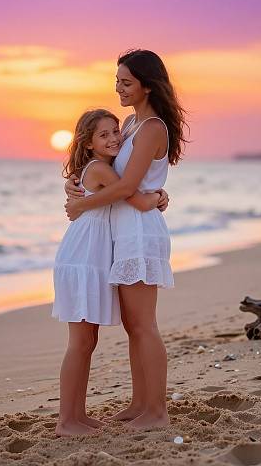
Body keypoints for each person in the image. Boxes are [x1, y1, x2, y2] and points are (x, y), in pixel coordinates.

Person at [65, 49, 188, 430]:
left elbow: (129, 187)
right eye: (116, 80)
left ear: (147, 86)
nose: (118, 87)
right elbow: (110, 172)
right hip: (125, 232)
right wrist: (79, 182)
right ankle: (139, 403)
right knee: (135, 326)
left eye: (126, 82)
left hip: (140, 233)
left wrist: (82, 206)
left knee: (144, 325)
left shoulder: (152, 128)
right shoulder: (133, 124)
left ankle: (157, 412)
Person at [53, 108, 168, 437]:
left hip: (90, 257)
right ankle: (67, 421)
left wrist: (156, 195)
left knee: (87, 340)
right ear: (88, 144)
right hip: (82, 258)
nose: (114, 138)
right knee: (80, 342)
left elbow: (124, 193)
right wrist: (158, 195)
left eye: (115, 131)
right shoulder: (102, 169)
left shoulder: (96, 168)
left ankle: (77, 415)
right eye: (104, 135)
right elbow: (134, 198)